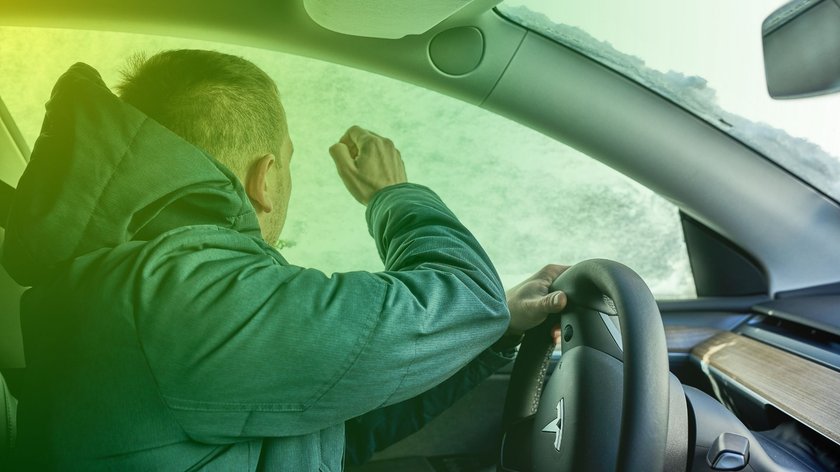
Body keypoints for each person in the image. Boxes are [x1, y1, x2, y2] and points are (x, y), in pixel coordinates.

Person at [1, 50, 567, 470]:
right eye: (290, 165)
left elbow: (333, 432)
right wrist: (391, 194)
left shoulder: (129, 284)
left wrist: (497, 331)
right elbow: (466, 293)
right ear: (264, 178)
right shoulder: (179, 298)